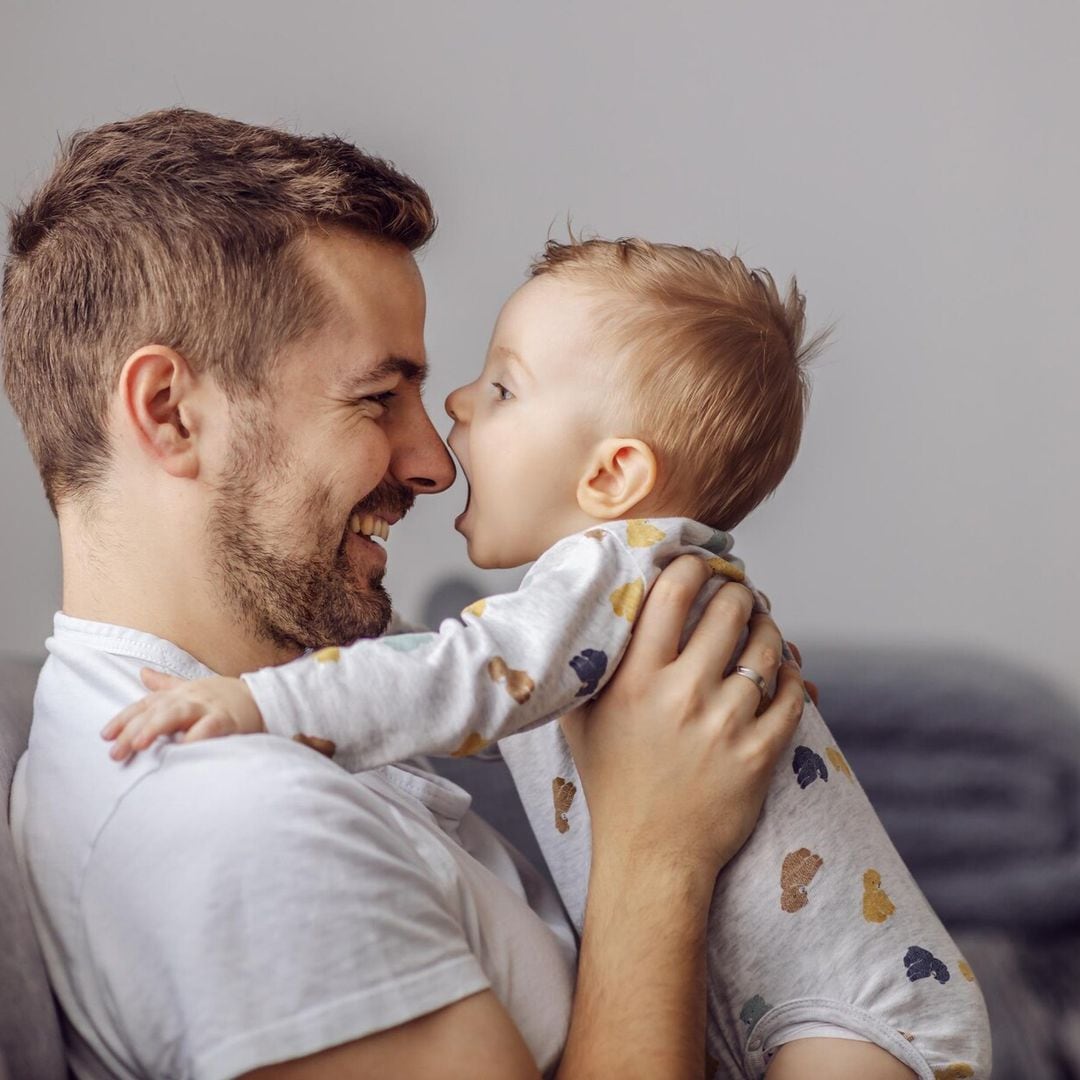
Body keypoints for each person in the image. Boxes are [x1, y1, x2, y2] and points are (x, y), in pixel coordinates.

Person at [3, 107, 811, 1080]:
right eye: (378, 398)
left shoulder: (262, 724)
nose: (436, 462)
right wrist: (658, 858)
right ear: (171, 414)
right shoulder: (243, 836)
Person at [103, 240, 992, 1080]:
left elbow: (451, 682)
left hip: (862, 1011)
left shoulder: (614, 568)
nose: (454, 408)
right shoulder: (609, 601)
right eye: (381, 395)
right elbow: (445, 681)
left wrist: (256, 703)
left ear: (610, 478)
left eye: (502, 389)